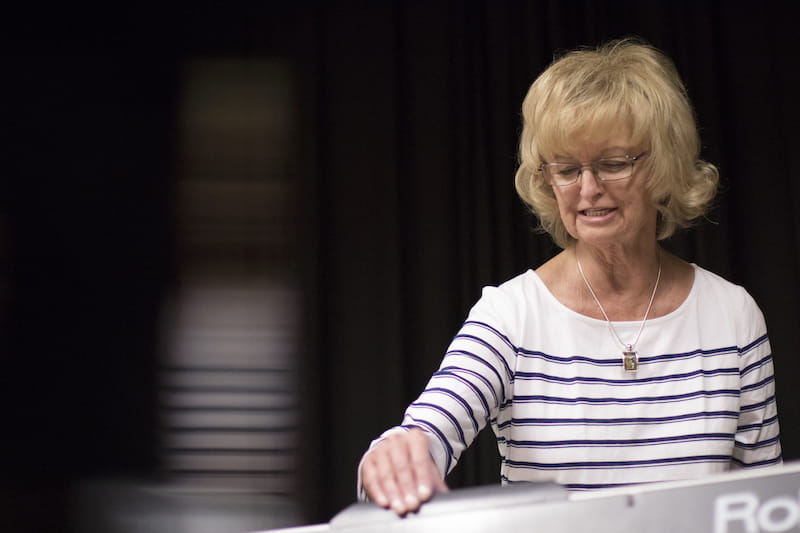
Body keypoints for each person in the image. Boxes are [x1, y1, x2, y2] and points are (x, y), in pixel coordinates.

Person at [357, 38, 782, 516]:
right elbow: (429, 430)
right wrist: (399, 456)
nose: (588, 188)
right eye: (566, 169)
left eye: (613, 164)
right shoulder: (511, 316)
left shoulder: (732, 315)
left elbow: (766, 506)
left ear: (664, 164)